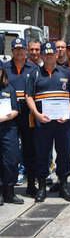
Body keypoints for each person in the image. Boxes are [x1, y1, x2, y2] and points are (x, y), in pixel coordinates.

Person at [26, 42, 70, 202]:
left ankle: (63, 185)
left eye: (52, 54)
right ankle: (42, 187)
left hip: (63, 123)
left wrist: (68, 112)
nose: (49, 56)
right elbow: (29, 96)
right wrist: (36, 114)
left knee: (64, 153)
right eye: (46, 54)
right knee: (42, 154)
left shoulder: (66, 72)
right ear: (42, 55)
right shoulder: (35, 74)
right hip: (43, 122)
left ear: (57, 55)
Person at [2, 38, 39, 198]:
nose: (19, 52)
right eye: (16, 49)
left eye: (21, 49)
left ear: (26, 51)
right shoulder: (4, 69)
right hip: (8, 118)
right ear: (12, 51)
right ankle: (6, 188)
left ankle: (31, 185)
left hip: (28, 116)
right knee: (8, 154)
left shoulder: (34, 68)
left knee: (30, 151)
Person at [0, 61, 24, 205]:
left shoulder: (9, 89)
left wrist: (4, 117)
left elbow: (16, 109)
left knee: (11, 160)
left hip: (8, 129)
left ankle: (10, 192)